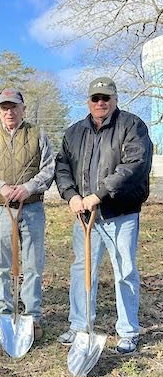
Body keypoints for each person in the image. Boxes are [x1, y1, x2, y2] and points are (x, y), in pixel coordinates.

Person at [55, 77, 153, 354]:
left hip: (120, 213)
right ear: (88, 101)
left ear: (115, 99)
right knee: (82, 271)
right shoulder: (74, 133)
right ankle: (79, 325)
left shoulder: (132, 126)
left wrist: (99, 194)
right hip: (85, 216)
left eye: (106, 98)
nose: (100, 103)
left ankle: (128, 331)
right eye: (95, 98)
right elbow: (62, 168)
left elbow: (135, 165)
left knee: (124, 271)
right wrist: (72, 195)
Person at [0, 88, 55, 340]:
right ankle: (4, 314)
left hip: (31, 207)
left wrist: (27, 188)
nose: (9, 112)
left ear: (23, 109)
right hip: (0, 209)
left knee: (32, 264)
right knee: (0, 264)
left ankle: (32, 315)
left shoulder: (37, 134)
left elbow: (48, 169)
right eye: (4, 107)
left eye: (14, 107)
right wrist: (1, 187)